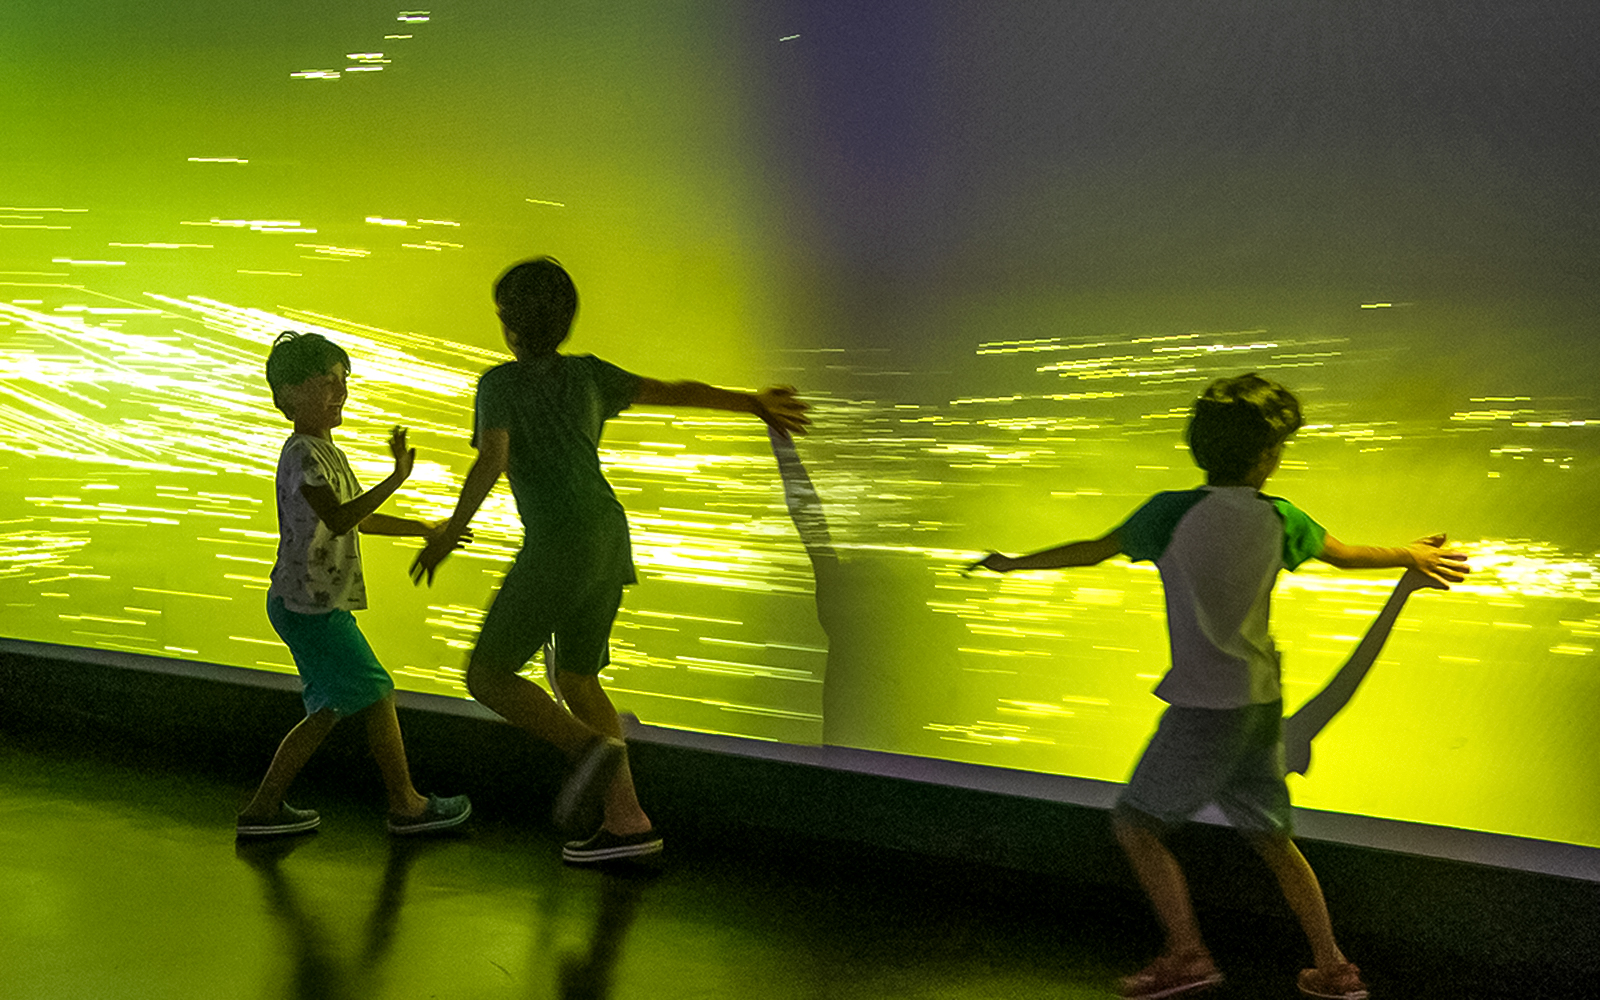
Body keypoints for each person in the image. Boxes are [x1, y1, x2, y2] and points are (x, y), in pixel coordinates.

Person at [971, 373, 1469, 1000]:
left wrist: (1014, 563)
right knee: (1273, 841)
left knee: (1134, 824)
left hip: (1205, 708)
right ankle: (1334, 967)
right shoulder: (1282, 518)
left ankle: (1187, 955)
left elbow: (1092, 551)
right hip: (1260, 705)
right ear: (1267, 456)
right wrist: (1408, 555)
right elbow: (1346, 555)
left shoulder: (1169, 513)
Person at [410, 256, 809, 865]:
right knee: (576, 678)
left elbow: (492, 460)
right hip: (606, 538)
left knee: (486, 676)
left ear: (510, 327)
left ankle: (586, 749)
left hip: (559, 542)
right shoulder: (591, 377)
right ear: (566, 323)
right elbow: (676, 392)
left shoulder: (500, 386)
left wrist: (447, 533)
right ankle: (628, 821)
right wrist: (752, 403)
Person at [238, 331, 471, 838]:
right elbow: (342, 519)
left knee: (327, 710)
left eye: (342, 381)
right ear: (288, 394)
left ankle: (263, 808)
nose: (339, 391)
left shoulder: (326, 452)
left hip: (310, 604)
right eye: (326, 382)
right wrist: (397, 479)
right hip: (311, 607)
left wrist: (423, 528)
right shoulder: (302, 454)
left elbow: (357, 519)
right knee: (378, 692)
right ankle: (406, 805)